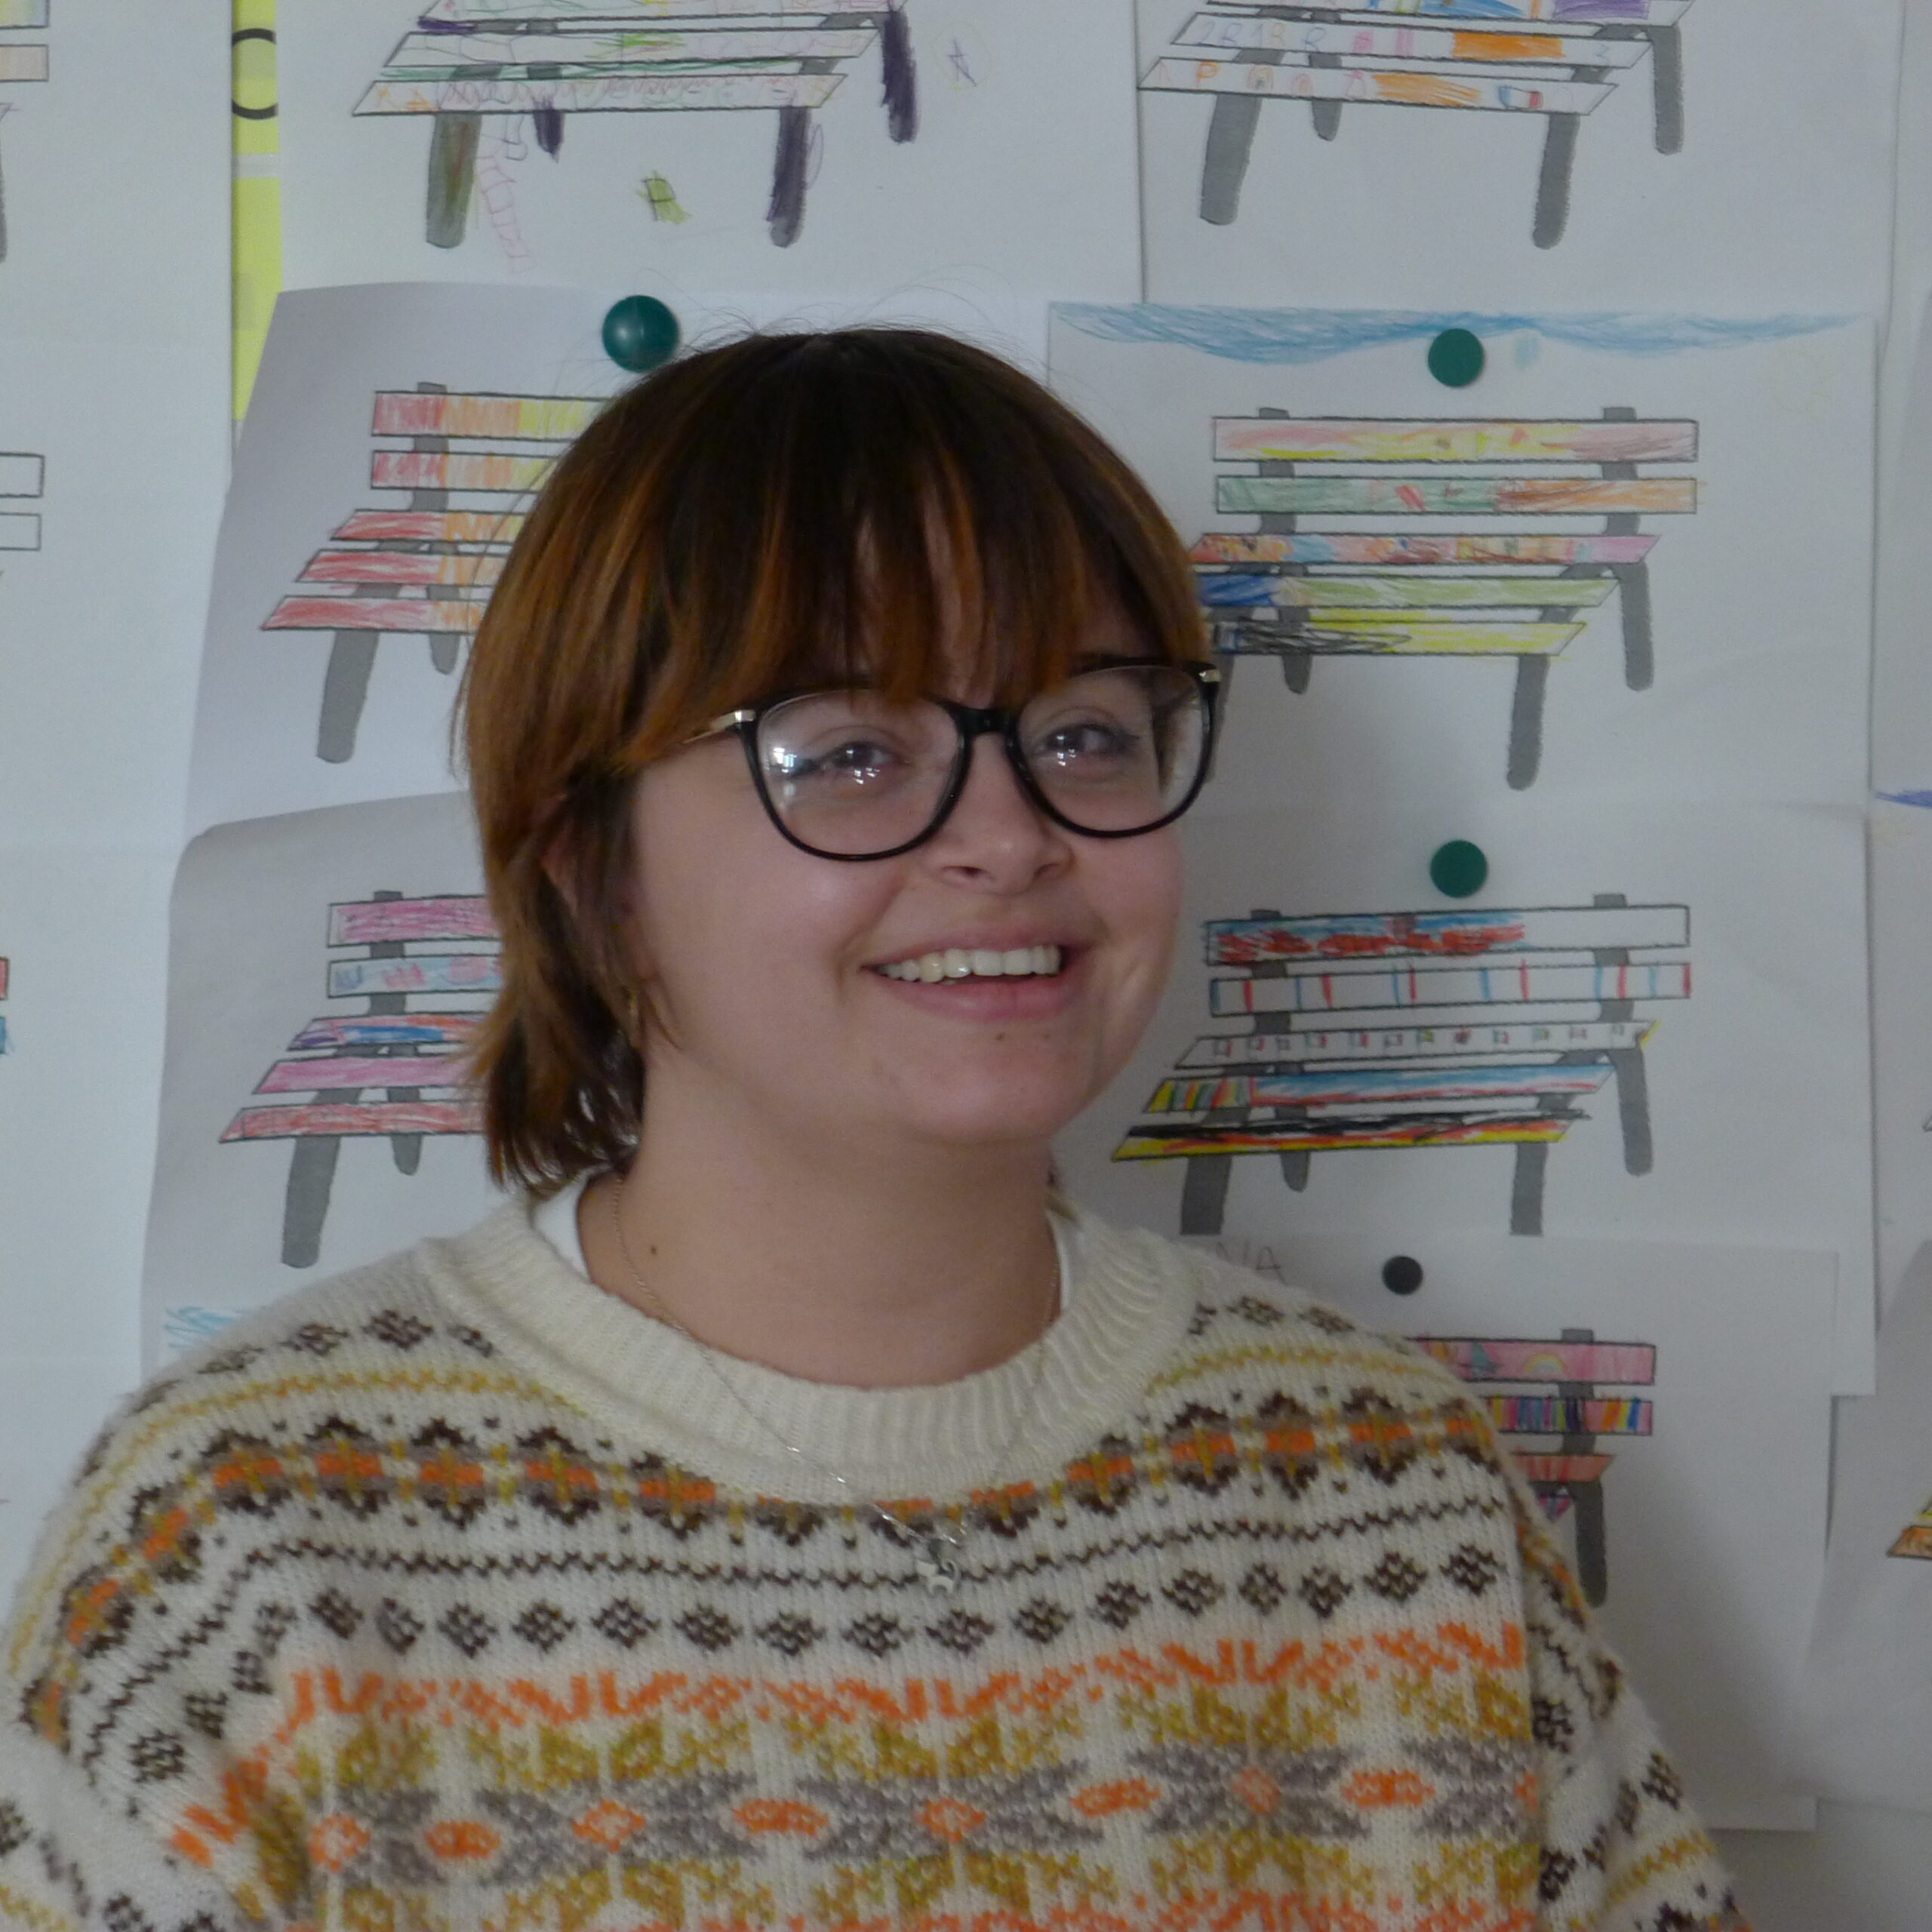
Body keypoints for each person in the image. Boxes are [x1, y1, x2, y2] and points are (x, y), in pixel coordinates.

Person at [0, 329, 1745, 1932]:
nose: (1007, 833)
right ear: (592, 867)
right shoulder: (248, 1538)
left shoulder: (1388, 1494)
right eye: (844, 751)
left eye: (1083, 731)